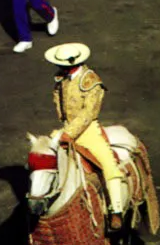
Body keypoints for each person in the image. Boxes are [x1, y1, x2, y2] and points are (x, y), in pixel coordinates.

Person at [45, 42, 125, 230]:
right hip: (67, 127)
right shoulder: (62, 79)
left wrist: (69, 133)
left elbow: (89, 113)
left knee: (109, 166)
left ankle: (116, 210)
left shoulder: (91, 81)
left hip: (87, 130)